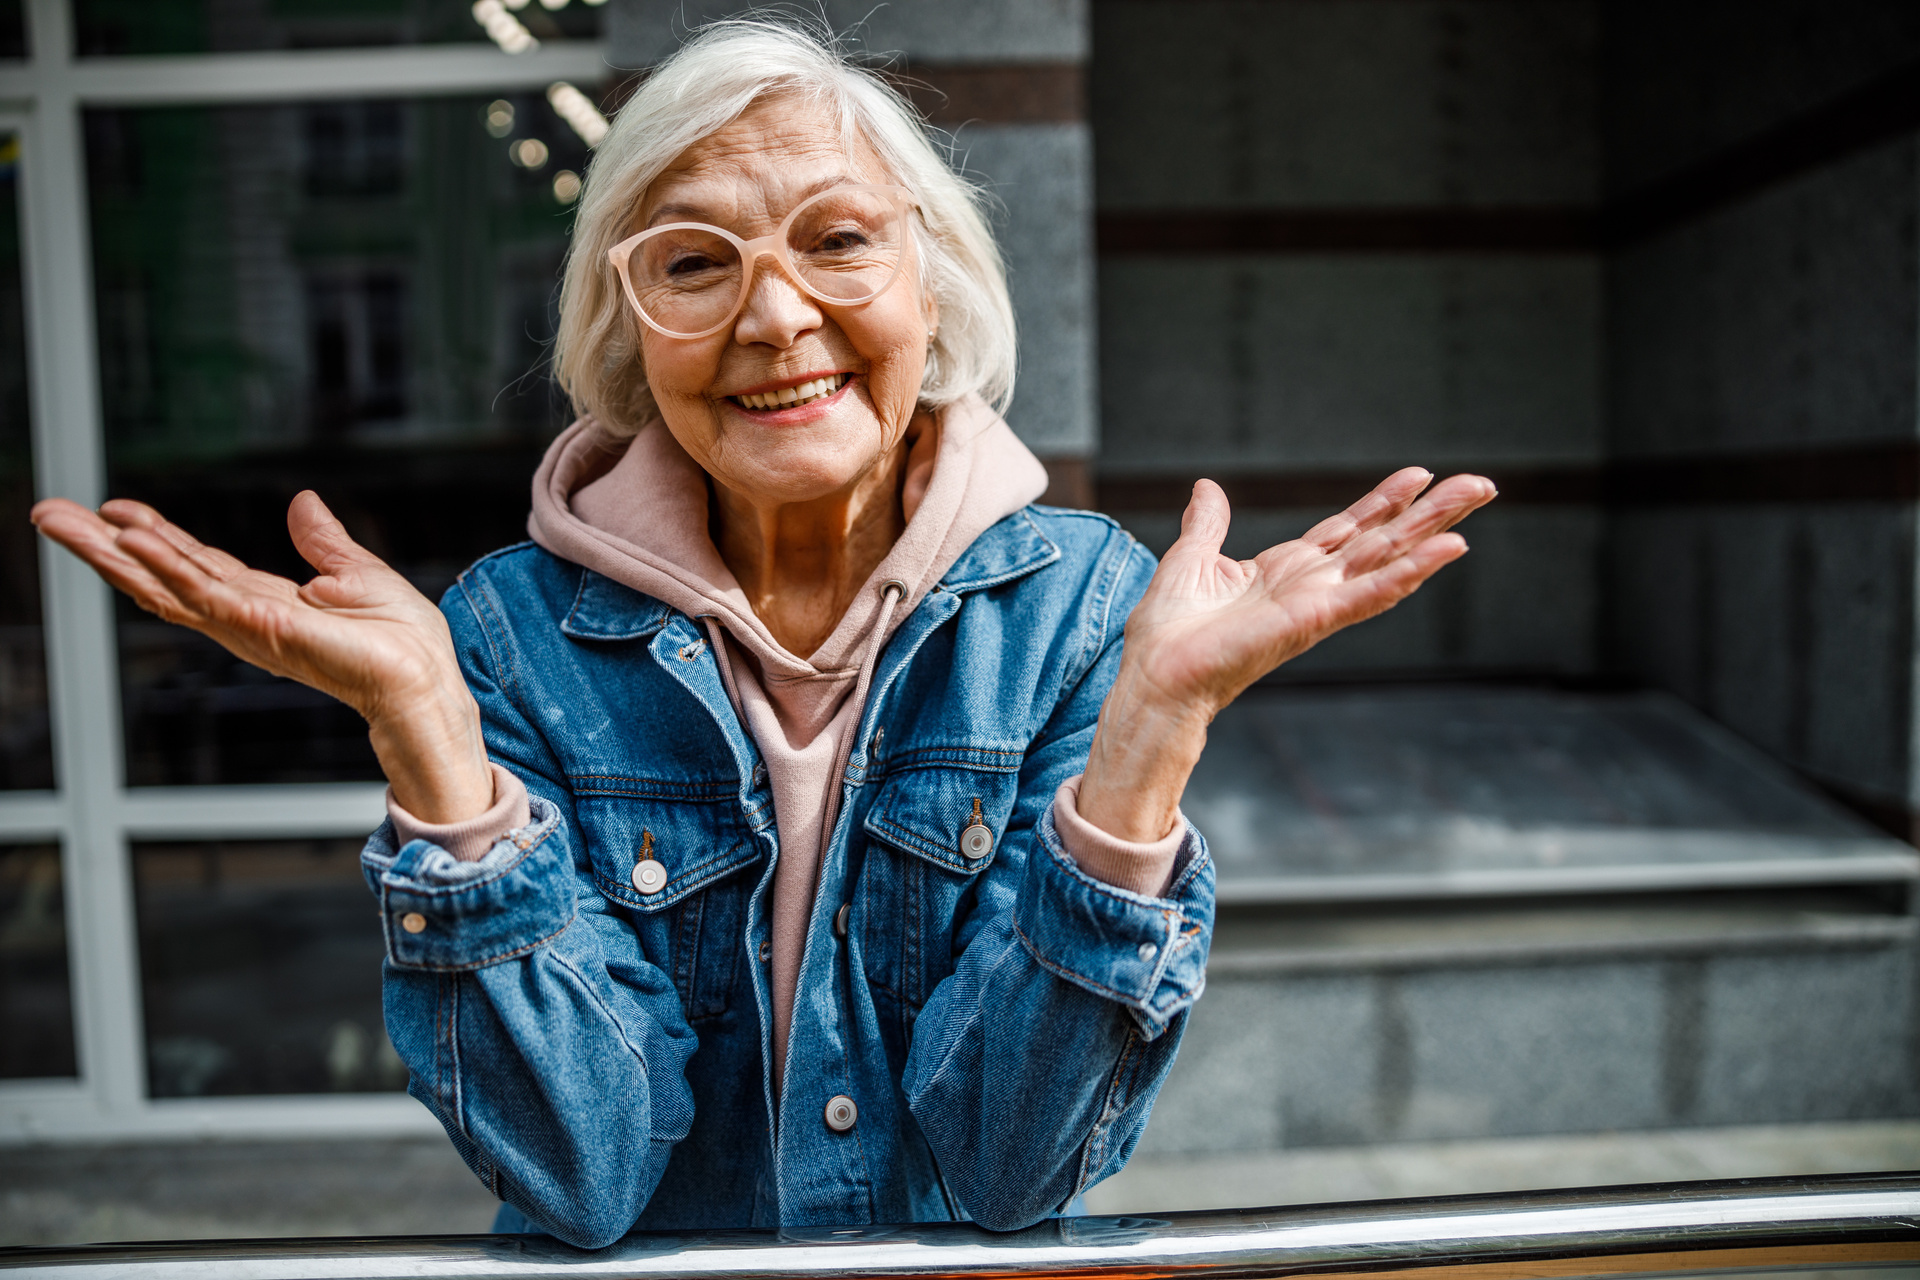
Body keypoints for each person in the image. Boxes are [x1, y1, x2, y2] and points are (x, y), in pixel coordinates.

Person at [31, 20, 1494, 1249]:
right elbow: (587, 1177)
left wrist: (1156, 729)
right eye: (693, 262)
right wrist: (432, 743)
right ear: (629, 330)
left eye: (835, 241)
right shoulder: (507, 638)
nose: (775, 315)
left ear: (933, 280)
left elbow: (1008, 1169)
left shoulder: (1087, 611)